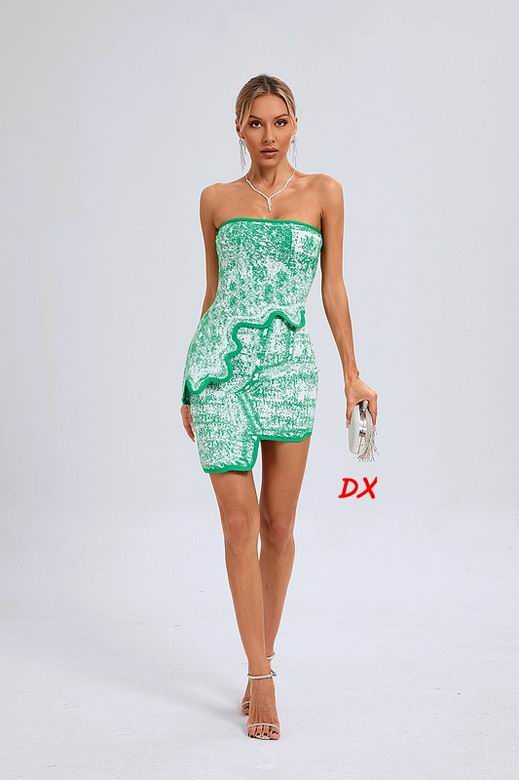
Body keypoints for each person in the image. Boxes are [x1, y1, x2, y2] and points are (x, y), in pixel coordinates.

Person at [180, 73, 378, 740]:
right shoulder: (214, 200)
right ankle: (261, 675)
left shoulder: (324, 193)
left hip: (290, 370)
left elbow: (333, 287)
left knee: (279, 525)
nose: (268, 135)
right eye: (255, 122)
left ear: (295, 125)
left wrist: (352, 374)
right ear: (239, 128)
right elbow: (213, 294)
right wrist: (189, 383)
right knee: (239, 525)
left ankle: (259, 655)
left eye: (280, 121)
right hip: (220, 371)